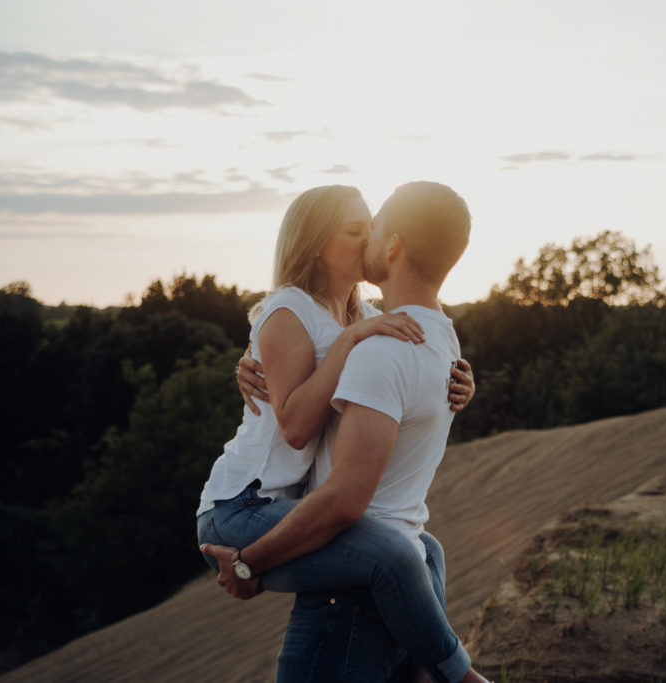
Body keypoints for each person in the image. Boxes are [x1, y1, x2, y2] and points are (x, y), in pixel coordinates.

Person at [195, 184, 486, 682]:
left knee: (425, 548)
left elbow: (408, 364)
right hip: (242, 506)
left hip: (292, 504)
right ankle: (457, 675)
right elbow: (295, 428)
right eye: (353, 231)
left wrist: (460, 381)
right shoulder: (289, 310)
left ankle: (419, 671)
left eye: (370, 228)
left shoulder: (368, 317)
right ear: (314, 244)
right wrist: (350, 341)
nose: (368, 238)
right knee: (396, 555)